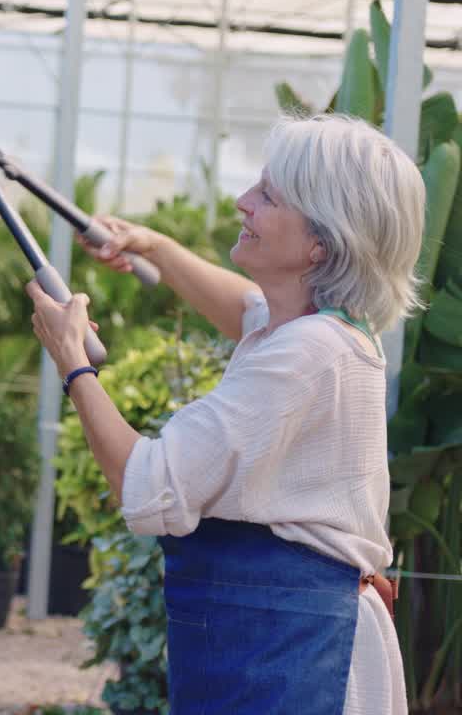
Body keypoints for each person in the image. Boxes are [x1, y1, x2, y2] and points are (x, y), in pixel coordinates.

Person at [26, 115, 415, 715]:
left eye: (268, 196)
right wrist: (152, 246)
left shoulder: (308, 351)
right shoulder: (329, 331)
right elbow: (245, 308)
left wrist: (73, 362)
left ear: (321, 242)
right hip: (286, 639)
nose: (243, 202)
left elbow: (149, 484)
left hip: (293, 651)